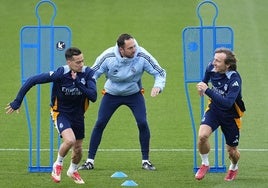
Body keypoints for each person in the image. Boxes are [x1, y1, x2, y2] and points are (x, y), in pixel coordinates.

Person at [5, 47, 97, 184]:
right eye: (78, 62)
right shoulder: (60, 74)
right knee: (70, 140)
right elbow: (32, 80)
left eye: (82, 61)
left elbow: (93, 96)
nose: (81, 64)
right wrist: (18, 101)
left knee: (78, 149)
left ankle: (72, 170)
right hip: (60, 112)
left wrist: (77, 82)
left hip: (78, 115)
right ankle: (58, 164)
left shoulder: (88, 73)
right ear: (69, 62)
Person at [78, 33, 166, 171]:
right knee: (100, 123)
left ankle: (145, 161)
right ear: (121, 49)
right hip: (111, 94)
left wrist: (158, 86)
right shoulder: (107, 57)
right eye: (130, 48)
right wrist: (89, 88)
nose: (134, 50)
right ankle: (89, 161)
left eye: (134, 46)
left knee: (142, 122)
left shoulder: (141, 55)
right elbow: (92, 74)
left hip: (133, 93)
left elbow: (159, 72)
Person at [195, 48, 245, 181]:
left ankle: (233, 167)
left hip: (231, 116)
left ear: (227, 65)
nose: (214, 63)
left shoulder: (234, 79)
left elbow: (228, 103)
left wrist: (207, 91)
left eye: (218, 61)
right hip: (214, 110)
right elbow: (205, 80)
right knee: (202, 136)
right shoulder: (211, 67)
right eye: (214, 59)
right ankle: (205, 163)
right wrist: (202, 86)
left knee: (232, 151)